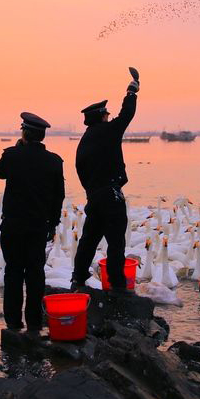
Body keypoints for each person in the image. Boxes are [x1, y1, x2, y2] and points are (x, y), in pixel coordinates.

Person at [0, 112, 65, 334]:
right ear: (43, 136)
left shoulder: (12, 156)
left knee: (13, 271)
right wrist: (53, 224)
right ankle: (34, 323)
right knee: (35, 273)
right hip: (38, 227)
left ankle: (13, 323)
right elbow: (59, 197)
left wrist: (16, 149)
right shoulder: (54, 161)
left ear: (24, 133)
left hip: (13, 226)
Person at [72, 70, 139, 292]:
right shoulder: (108, 131)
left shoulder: (84, 142)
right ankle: (117, 286)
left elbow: (80, 171)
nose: (109, 118)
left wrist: (92, 191)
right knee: (116, 242)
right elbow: (126, 115)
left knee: (89, 239)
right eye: (107, 116)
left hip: (94, 196)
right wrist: (131, 92)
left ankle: (78, 279)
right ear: (102, 117)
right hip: (111, 195)